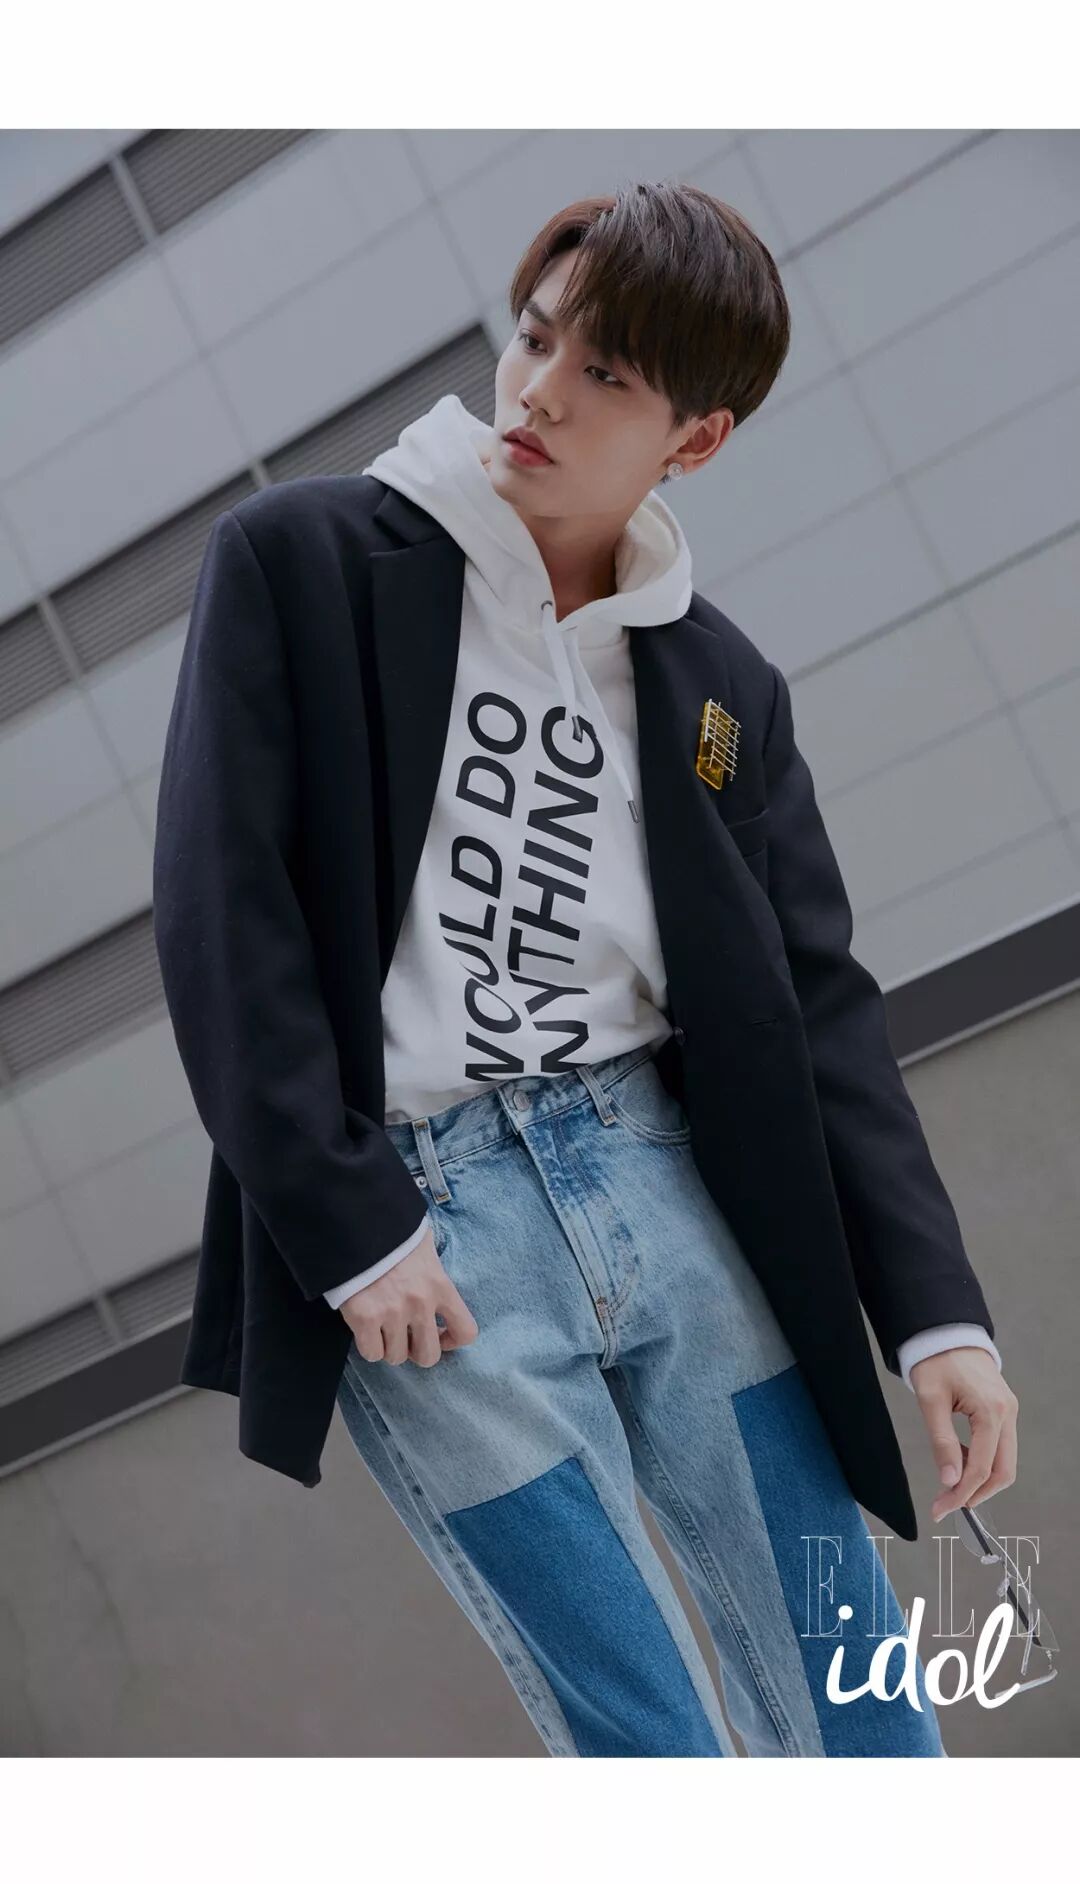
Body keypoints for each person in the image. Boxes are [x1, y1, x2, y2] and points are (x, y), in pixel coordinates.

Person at [153, 180, 1017, 1757]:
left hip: (674, 1193)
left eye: (605, 372)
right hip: (434, 1247)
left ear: (699, 437)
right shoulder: (306, 561)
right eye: (537, 338)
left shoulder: (718, 686)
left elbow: (818, 1004)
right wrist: (351, 1225)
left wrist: (937, 1319)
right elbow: (226, 911)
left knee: (862, 1711)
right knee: (645, 1742)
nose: (540, 390)